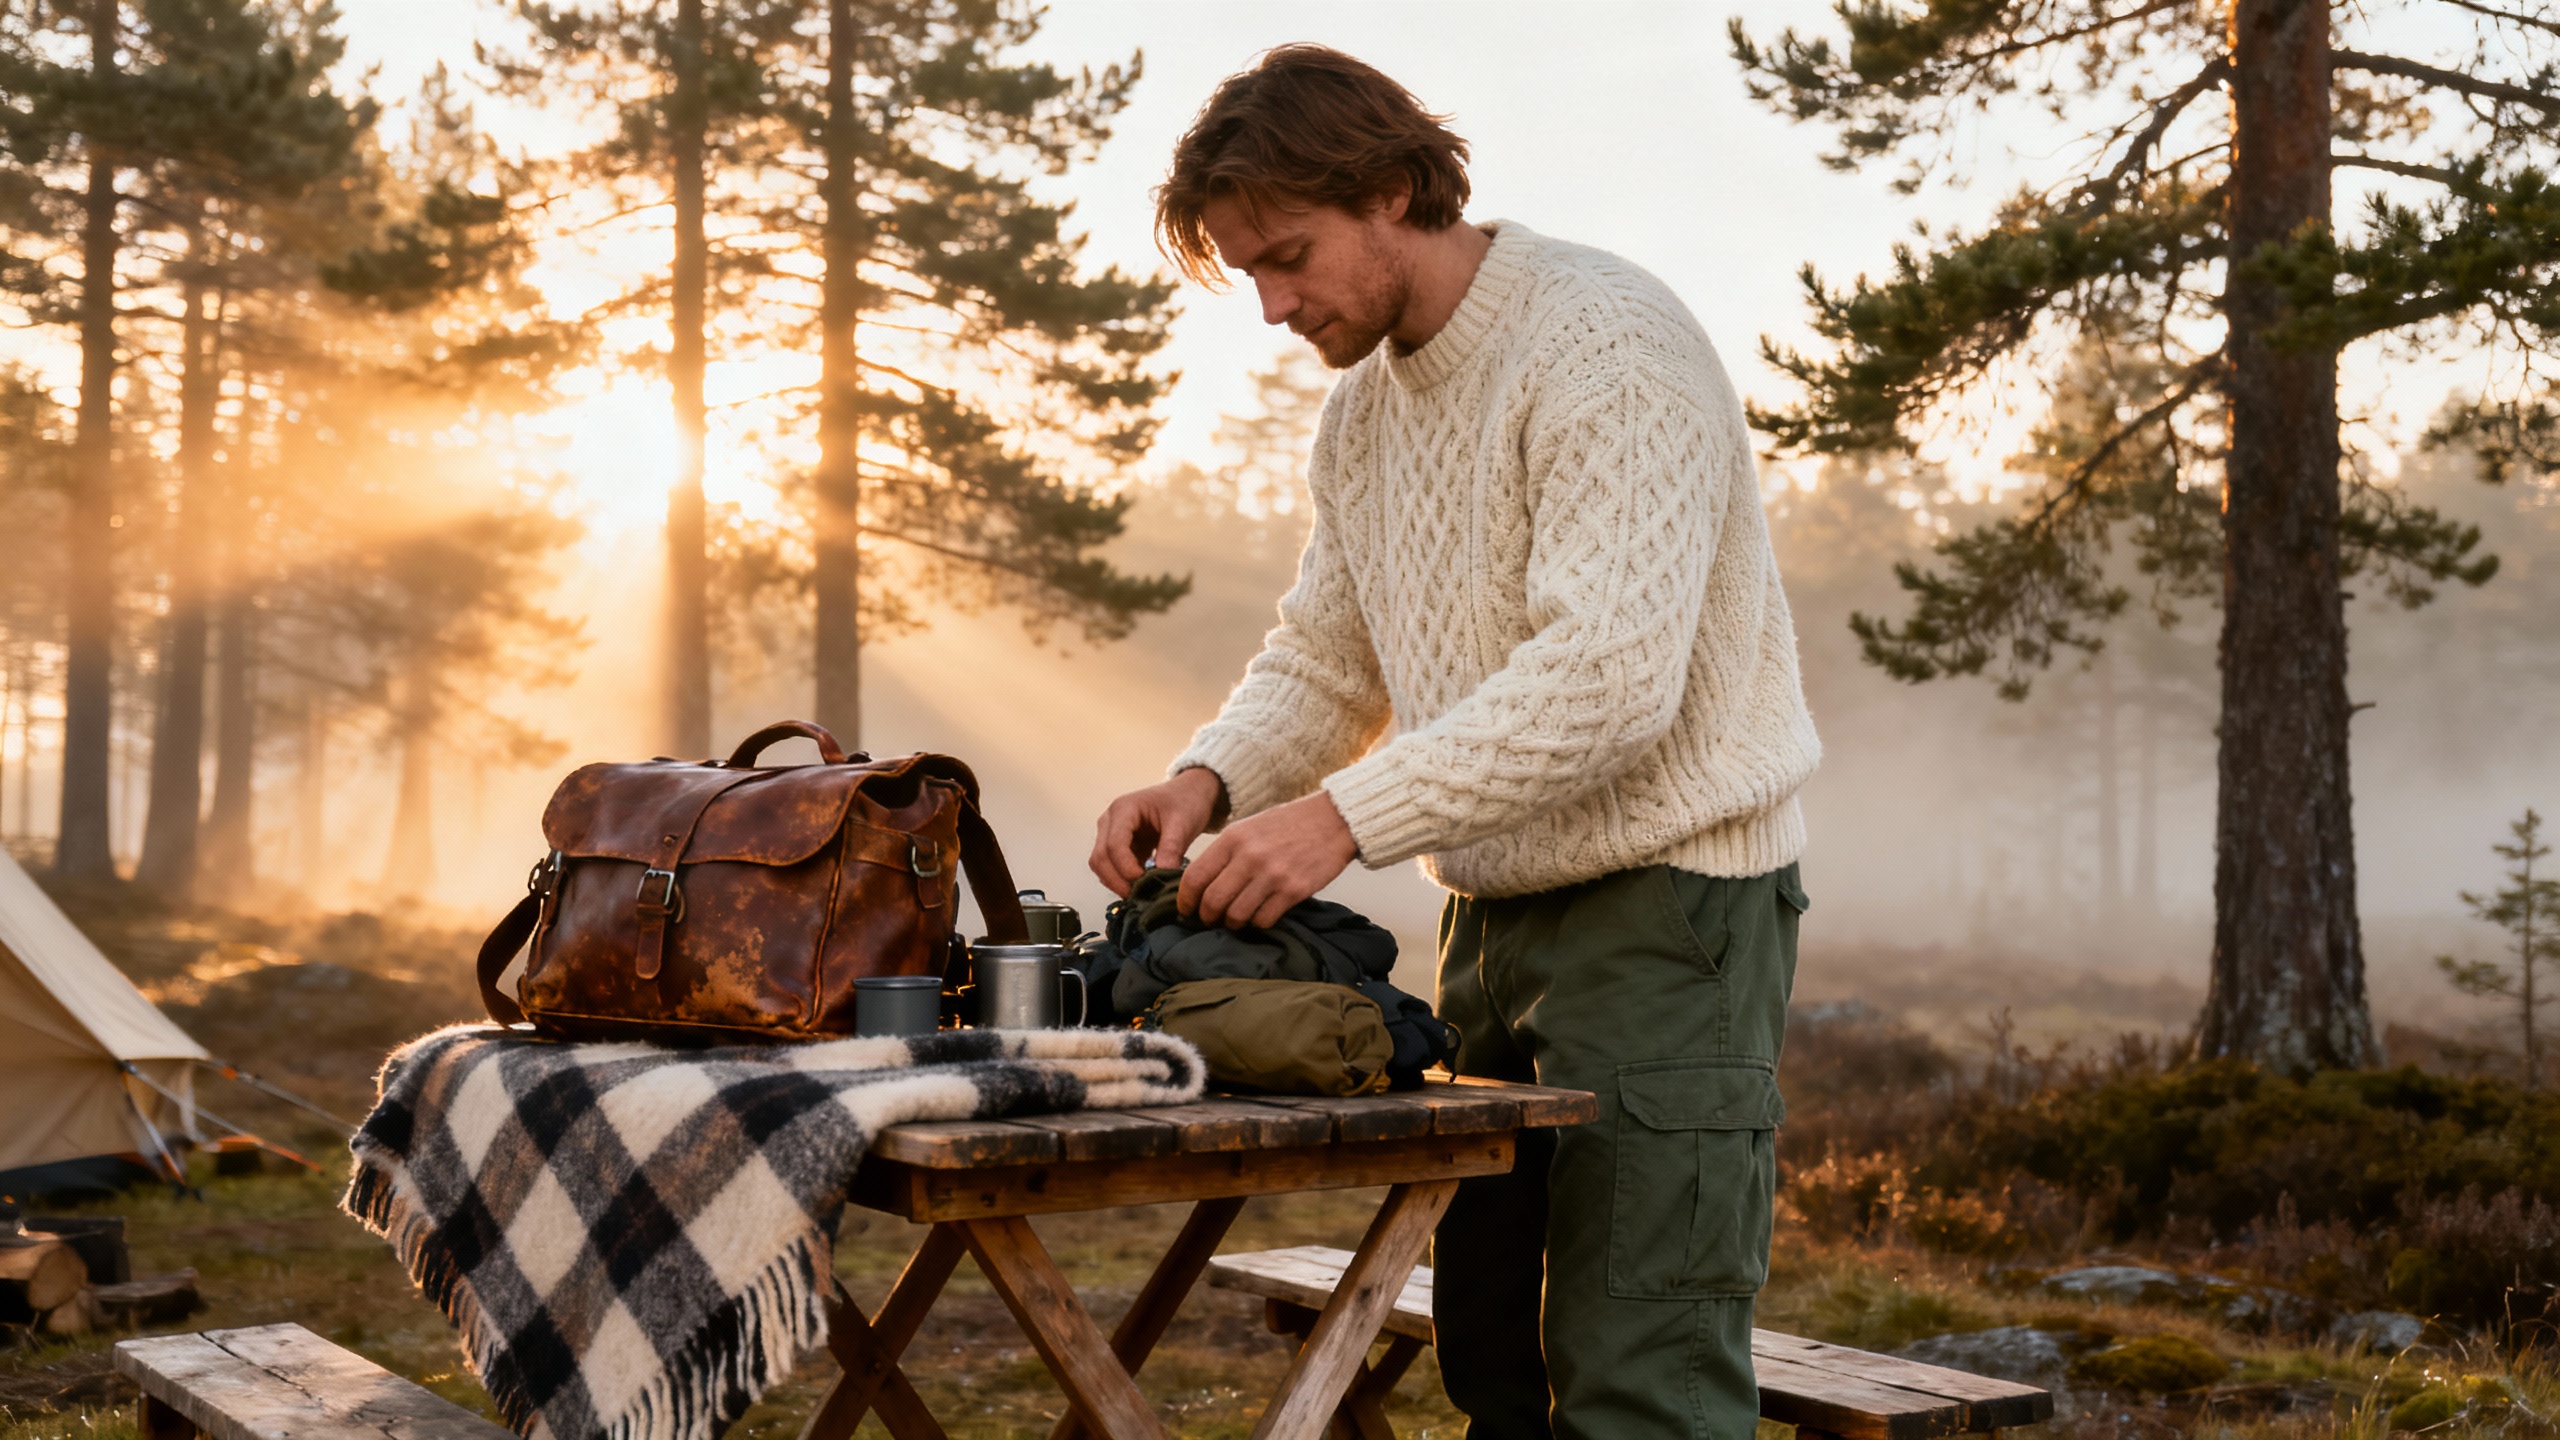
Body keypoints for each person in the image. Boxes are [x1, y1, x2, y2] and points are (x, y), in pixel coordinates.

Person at [1088, 43, 1819, 1440]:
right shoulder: (1361, 415)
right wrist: (1209, 780)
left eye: (1289, 257)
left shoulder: (1607, 344)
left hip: (1674, 920)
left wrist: (1340, 821)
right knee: (1496, 1363)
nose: (1272, 305)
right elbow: (1325, 657)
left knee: (1640, 1378)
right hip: (1490, 924)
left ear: (1393, 188)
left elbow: (1610, 680)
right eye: (1250, 271)